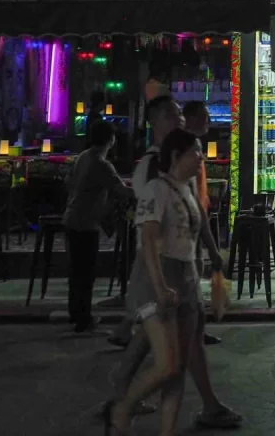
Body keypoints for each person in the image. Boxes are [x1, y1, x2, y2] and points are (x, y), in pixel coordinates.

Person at [106, 128, 240, 435]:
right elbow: (148, 241)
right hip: (158, 283)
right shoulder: (156, 189)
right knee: (167, 364)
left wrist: (210, 255)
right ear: (177, 155)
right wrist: (161, 286)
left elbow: (196, 230)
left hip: (186, 280)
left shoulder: (187, 190)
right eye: (196, 151)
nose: (201, 158)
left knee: (177, 370)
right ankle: (123, 407)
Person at [108, 95, 184, 418]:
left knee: (149, 335)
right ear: (157, 121)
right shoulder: (155, 164)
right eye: (173, 114)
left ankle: (123, 394)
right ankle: (123, 403)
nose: (180, 119)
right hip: (156, 261)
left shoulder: (166, 159)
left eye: (179, 113)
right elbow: (153, 222)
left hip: (166, 260)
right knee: (156, 338)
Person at [63, 120, 130, 333]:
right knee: (86, 272)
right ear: (111, 139)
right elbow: (121, 190)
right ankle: (84, 318)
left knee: (76, 271)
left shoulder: (83, 156)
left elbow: (68, 181)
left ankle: (76, 313)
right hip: (86, 223)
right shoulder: (102, 164)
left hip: (71, 217)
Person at [182, 100, 221, 346]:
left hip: (194, 224)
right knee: (189, 283)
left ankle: (194, 330)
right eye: (205, 117)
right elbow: (195, 199)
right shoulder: (188, 147)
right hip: (190, 227)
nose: (209, 122)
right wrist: (212, 247)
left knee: (191, 284)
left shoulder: (191, 145)